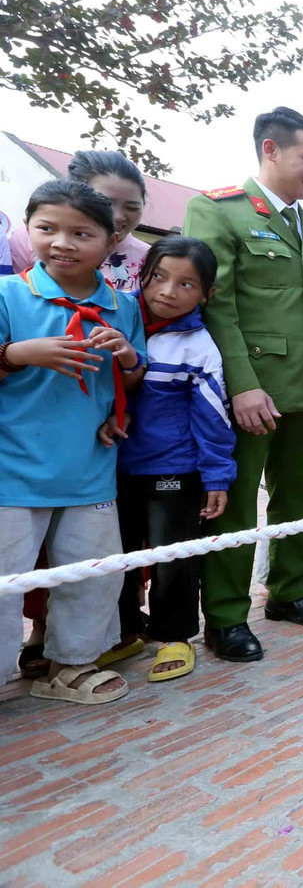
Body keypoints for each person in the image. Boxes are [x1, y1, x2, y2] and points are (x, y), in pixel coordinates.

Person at [184, 106, 303, 661]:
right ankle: (226, 617)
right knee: (234, 507)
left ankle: (288, 593)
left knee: (300, 498)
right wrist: (242, 385)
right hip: (252, 390)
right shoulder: (218, 210)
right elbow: (216, 305)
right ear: (270, 150)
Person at [0, 180, 146, 703]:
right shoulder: (8, 295)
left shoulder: (123, 307)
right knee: (4, 580)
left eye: (81, 233)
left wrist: (127, 356)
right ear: (28, 229)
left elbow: (134, 379)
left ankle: (71, 665)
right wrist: (18, 354)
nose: (61, 243)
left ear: (111, 241)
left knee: (93, 572)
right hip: (11, 468)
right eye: (47, 228)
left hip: (90, 464)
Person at [116, 236, 235, 683]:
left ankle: (175, 635)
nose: (168, 291)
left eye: (187, 284)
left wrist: (217, 477)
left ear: (207, 294)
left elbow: (213, 417)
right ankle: (126, 630)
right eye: (159, 277)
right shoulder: (117, 318)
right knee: (118, 557)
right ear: (142, 275)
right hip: (111, 467)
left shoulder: (198, 345)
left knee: (174, 559)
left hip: (174, 470)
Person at [7, 151, 150, 292]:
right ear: (73, 193)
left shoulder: (150, 259)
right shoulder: (26, 239)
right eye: (106, 203)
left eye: (132, 208)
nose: (117, 216)